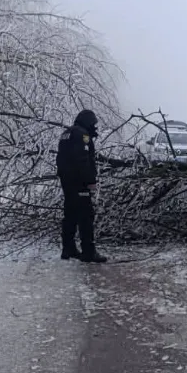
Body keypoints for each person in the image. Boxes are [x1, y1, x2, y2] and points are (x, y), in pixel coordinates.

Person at [55, 109, 108, 263]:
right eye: (94, 124)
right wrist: (90, 180)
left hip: (67, 181)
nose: (95, 128)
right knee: (86, 216)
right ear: (88, 122)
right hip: (79, 182)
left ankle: (68, 248)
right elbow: (82, 160)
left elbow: (61, 158)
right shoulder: (82, 135)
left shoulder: (66, 133)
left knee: (70, 213)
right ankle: (88, 252)